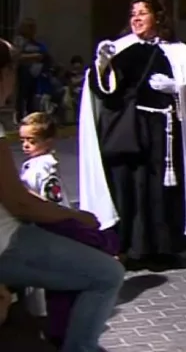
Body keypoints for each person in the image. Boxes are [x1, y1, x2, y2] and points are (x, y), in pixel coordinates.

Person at [0, 38, 125, 352]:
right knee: (107, 274)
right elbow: (19, 202)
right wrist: (76, 216)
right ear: (5, 74)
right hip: (6, 243)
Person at [78, 0, 186, 269]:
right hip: (131, 131)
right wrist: (102, 65)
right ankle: (131, 248)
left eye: (143, 13)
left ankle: (163, 248)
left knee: (161, 190)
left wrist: (175, 87)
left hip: (165, 132)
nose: (136, 19)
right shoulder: (121, 48)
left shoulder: (178, 52)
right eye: (133, 14)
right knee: (131, 186)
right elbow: (105, 92)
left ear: (158, 17)